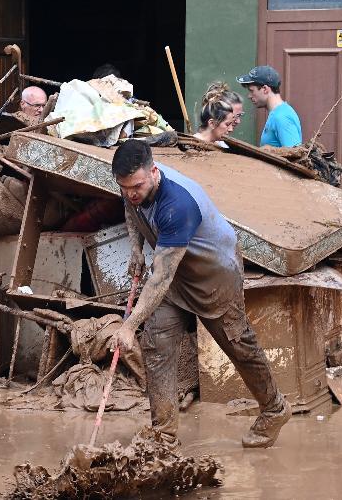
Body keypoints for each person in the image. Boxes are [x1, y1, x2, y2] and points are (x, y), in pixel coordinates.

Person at [111, 139, 290, 448]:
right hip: (176, 277)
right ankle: (163, 435)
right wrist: (136, 249)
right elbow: (131, 209)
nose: (131, 193)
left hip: (214, 276)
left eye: (137, 186)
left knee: (239, 346)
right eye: (125, 187)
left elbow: (160, 278)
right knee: (157, 345)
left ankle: (275, 408)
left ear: (154, 172)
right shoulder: (132, 186)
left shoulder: (177, 204)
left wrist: (129, 325)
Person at [237, 65, 301, 147]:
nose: (249, 96)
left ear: (265, 89)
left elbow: (294, 155)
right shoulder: (277, 113)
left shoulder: (282, 117)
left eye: (251, 91)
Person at [193, 82, 243, 147]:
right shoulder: (193, 144)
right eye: (227, 124)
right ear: (212, 123)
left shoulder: (221, 146)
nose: (231, 129)